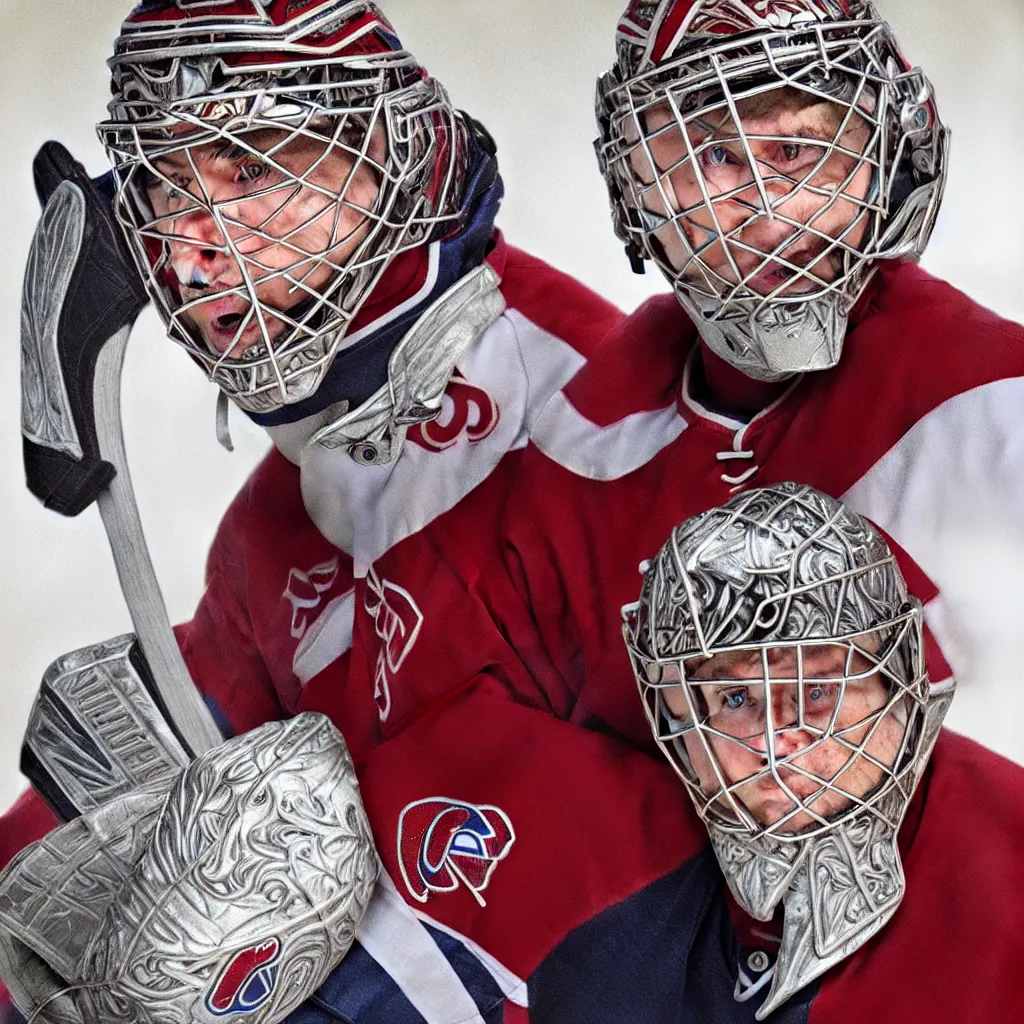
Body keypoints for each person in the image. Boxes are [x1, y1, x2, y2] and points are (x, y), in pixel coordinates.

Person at [0, 0, 623, 1010]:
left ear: (395, 161)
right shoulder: (278, 528)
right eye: (166, 184)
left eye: (248, 170)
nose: (196, 247)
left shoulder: (598, 434)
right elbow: (102, 837)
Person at [479, 0, 1024, 746]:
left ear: (888, 152)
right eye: (715, 157)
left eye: (797, 149)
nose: (767, 221)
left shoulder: (994, 408)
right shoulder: (582, 439)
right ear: (633, 183)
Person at [524, 482, 1024, 1021]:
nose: (774, 741)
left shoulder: (1006, 867)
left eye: (818, 689)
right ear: (678, 718)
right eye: (734, 697)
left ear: (897, 677)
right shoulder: (602, 912)